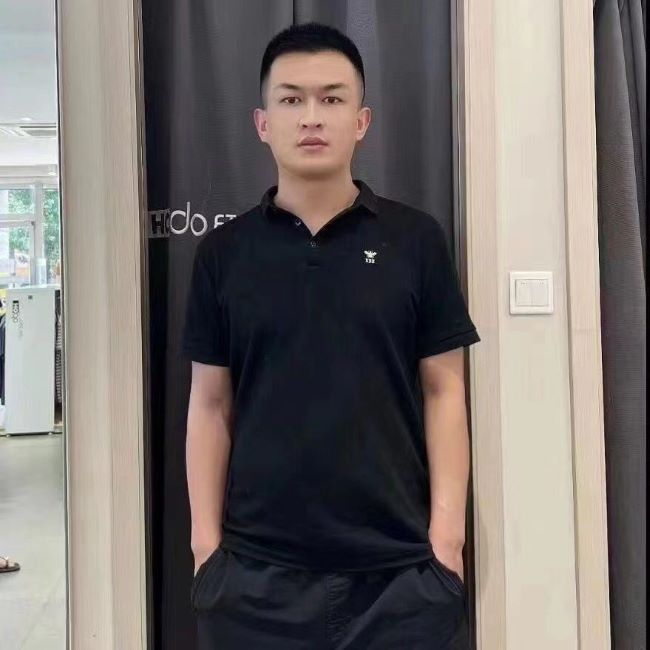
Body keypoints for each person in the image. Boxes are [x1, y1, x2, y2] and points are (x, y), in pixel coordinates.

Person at [183, 21, 480, 649]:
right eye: (291, 99)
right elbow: (209, 404)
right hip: (253, 581)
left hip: (400, 577)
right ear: (262, 123)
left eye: (332, 98)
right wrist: (206, 551)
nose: (311, 117)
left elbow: (445, 391)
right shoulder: (223, 254)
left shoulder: (416, 241)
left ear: (362, 121)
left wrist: (447, 543)